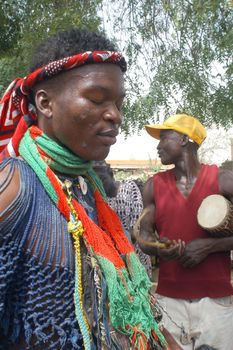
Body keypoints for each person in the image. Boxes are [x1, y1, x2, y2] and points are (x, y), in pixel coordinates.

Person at [0, 28, 179, 349]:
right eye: (96, 99)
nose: (115, 115)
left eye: (118, 103)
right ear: (45, 103)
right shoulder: (13, 188)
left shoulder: (87, 188)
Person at [138, 114, 233, 350]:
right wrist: (161, 248)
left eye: (164, 138)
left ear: (183, 139)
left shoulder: (224, 180)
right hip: (170, 302)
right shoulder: (152, 186)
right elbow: (144, 237)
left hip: (216, 303)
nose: (158, 146)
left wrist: (209, 246)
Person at [93, 160, 152, 277]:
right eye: (97, 182)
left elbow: (137, 228)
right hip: (115, 262)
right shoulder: (99, 198)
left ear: (110, 174)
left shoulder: (129, 188)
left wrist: (118, 238)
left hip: (136, 257)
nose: (101, 184)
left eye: (103, 179)